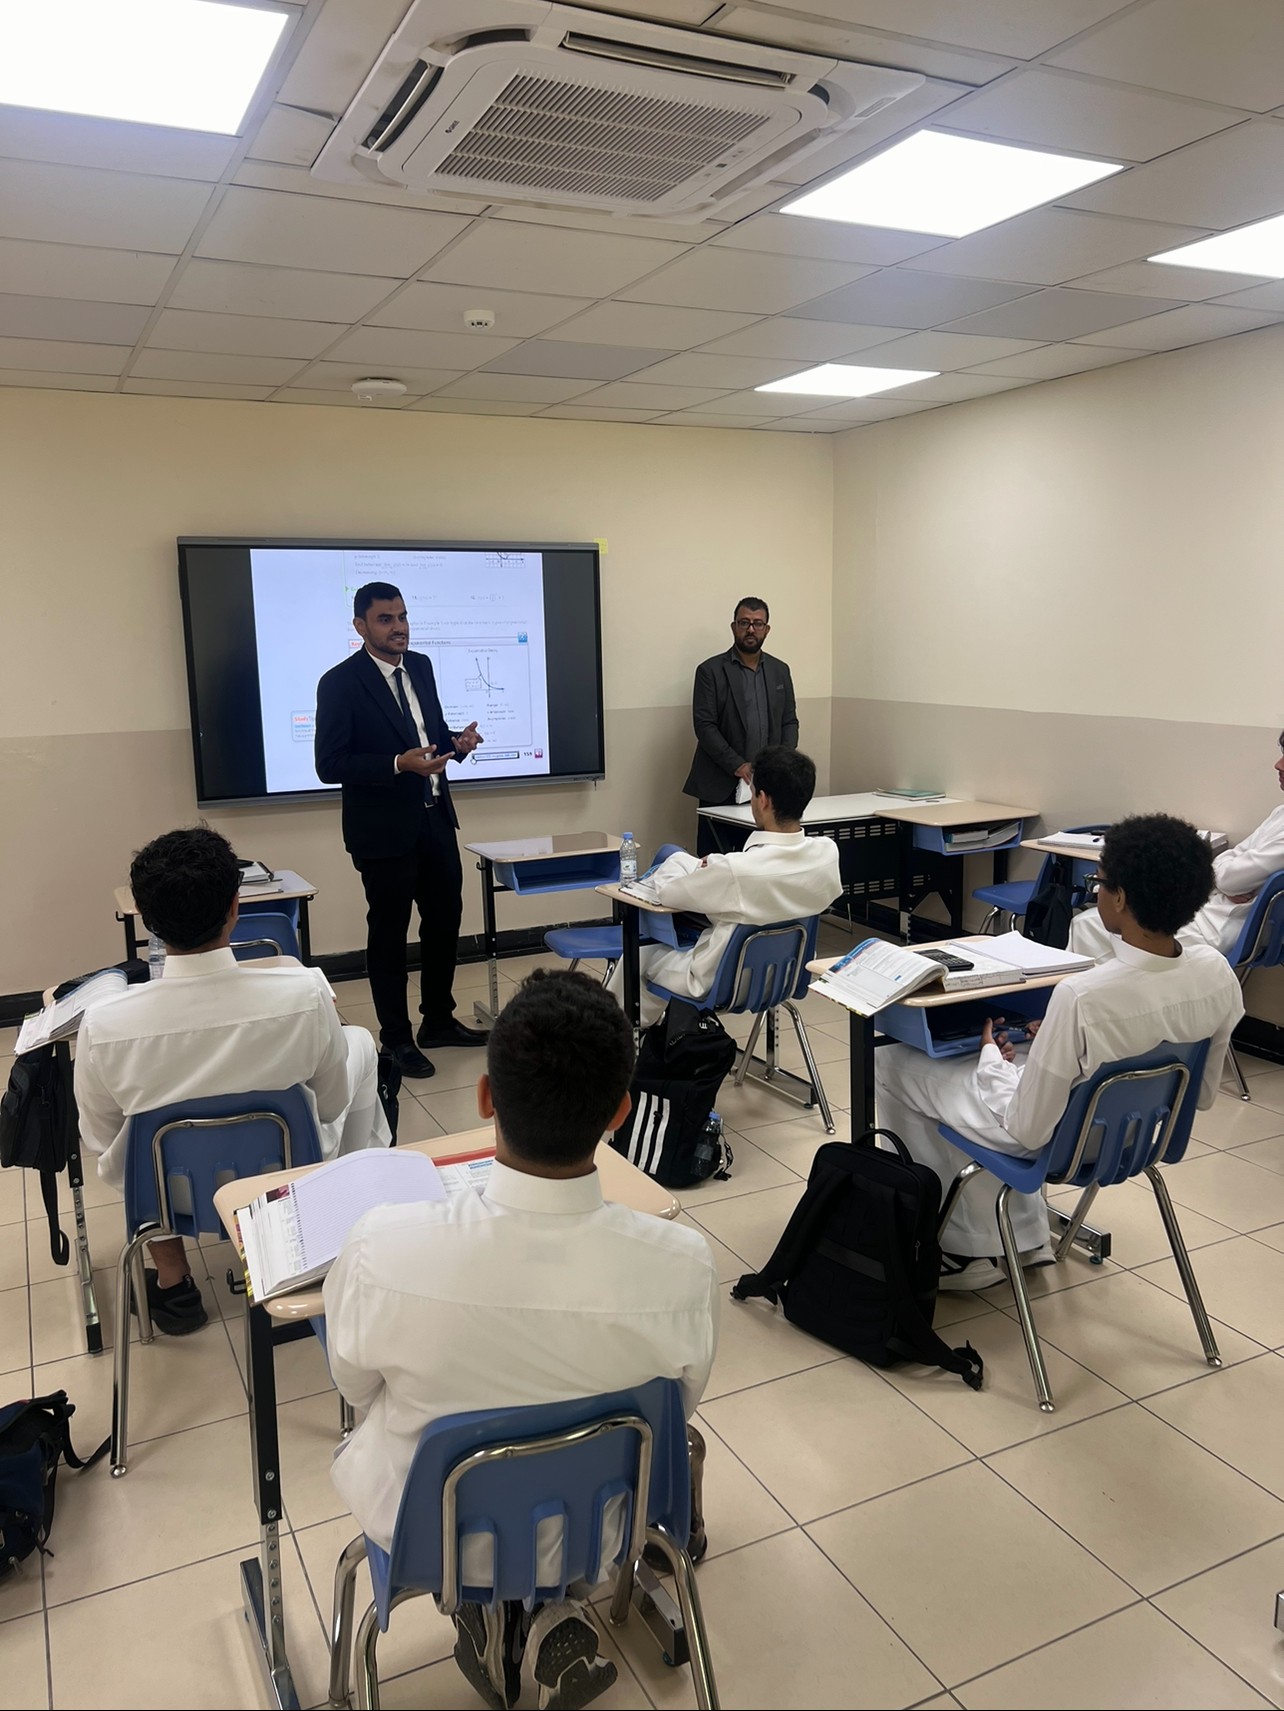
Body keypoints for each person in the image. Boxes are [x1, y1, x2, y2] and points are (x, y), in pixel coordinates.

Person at [324, 969, 719, 1711]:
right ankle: (541, 1613)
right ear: (620, 1112)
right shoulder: (682, 1262)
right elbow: (681, 1402)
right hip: (600, 1527)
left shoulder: (384, 1247)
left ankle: (501, 1616)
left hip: (438, 1538)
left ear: (485, 1098)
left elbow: (353, 1385)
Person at [877, 814, 1244, 1290]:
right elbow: (1202, 1096)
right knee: (1012, 1067)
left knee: (891, 1063)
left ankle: (966, 1251)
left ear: (1121, 898)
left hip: (1062, 1147)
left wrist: (991, 1060)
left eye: (1100, 883)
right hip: (1139, 1139)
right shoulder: (1217, 973)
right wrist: (1049, 1041)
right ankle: (1027, 1237)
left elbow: (1027, 1128)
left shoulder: (1083, 995)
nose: (1097, 893)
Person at [74, 826, 390, 1335]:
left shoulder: (104, 1024)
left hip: (167, 1193)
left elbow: (101, 1137)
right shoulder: (304, 996)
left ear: (147, 921)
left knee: (134, 1139)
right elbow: (330, 1105)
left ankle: (173, 1285)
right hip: (285, 1171)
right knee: (359, 1046)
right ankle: (328, 1245)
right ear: (235, 908)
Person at [314, 581, 487, 1081]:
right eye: (386, 619)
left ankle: (438, 1021)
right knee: (389, 935)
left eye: (403, 617)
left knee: (444, 923)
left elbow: (425, 735)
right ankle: (396, 1038)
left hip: (435, 818)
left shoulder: (422, 667)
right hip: (382, 831)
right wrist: (396, 764)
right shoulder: (340, 683)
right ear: (360, 626)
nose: (399, 628)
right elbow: (330, 763)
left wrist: (456, 744)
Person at [610, 745, 840, 1028]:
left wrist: (689, 866)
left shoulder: (736, 870)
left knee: (640, 956)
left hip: (724, 982)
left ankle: (615, 1040)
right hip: (787, 977)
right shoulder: (827, 854)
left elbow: (669, 894)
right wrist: (720, 866)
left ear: (763, 800)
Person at [1071, 734, 1284, 962]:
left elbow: (1230, 881)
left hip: (1221, 927)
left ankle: (1096, 986)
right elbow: (1225, 868)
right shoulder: (1280, 813)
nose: (1277, 765)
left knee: (1086, 925)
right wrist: (1226, 877)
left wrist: (1226, 879)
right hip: (1212, 914)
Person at [684, 596, 799, 857]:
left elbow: (789, 721)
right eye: (744, 622)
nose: (751, 629)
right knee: (716, 862)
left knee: (761, 860)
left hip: (767, 788)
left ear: (766, 629)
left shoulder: (780, 670)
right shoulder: (710, 671)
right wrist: (738, 765)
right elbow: (704, 726)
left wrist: (781, 763)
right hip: (720, 786)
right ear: (734, 626)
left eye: (758, 624)